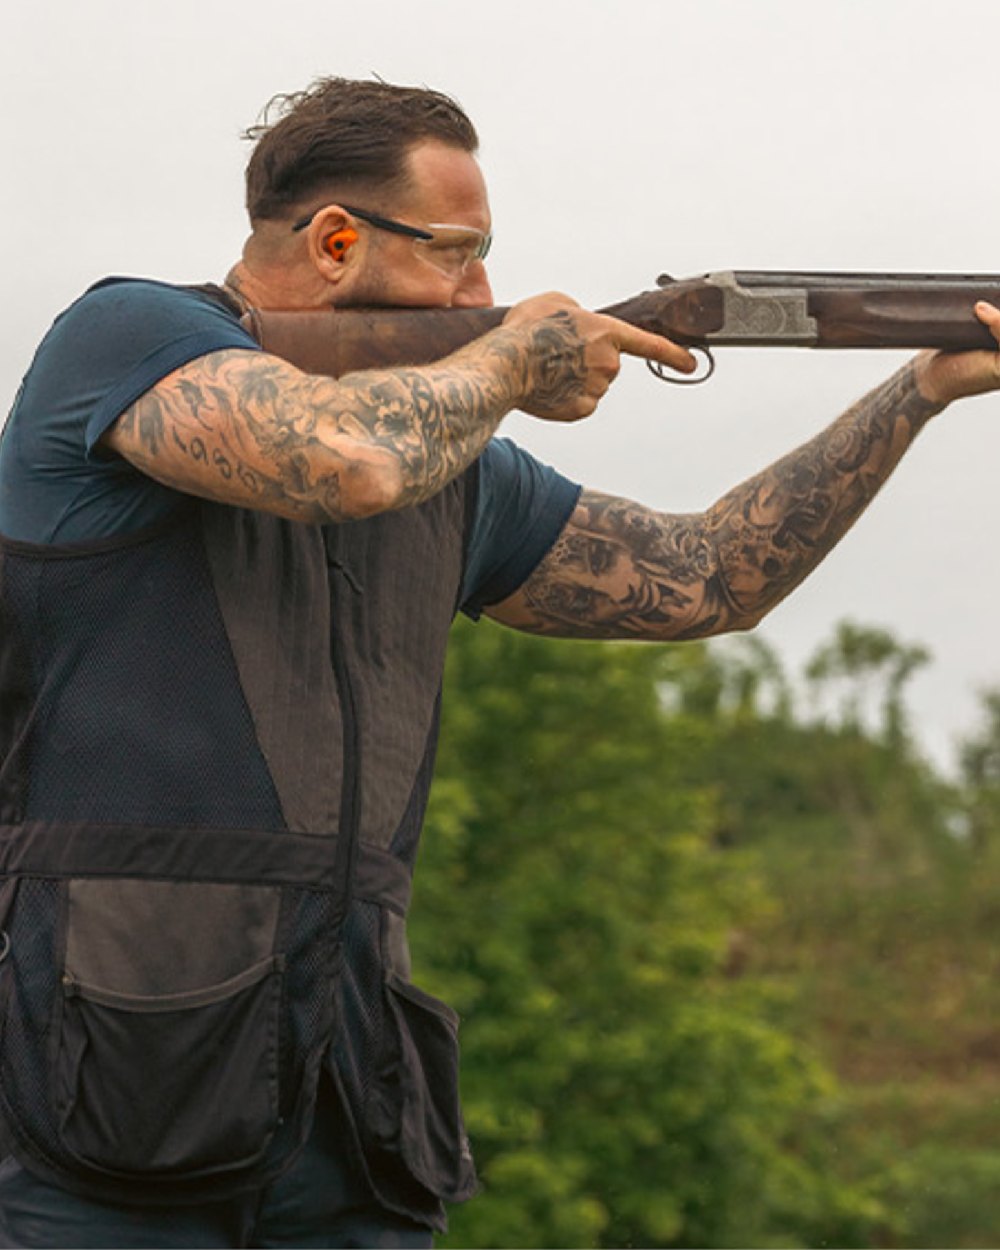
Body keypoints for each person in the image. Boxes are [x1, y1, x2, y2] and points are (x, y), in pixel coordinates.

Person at [0, 76, 997, 1249]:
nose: (485, 294)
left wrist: (916, 389)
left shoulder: (455, 468)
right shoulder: (130, 336)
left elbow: (711, 572)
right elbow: (351, 458)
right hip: (100, 1078)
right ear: (333, 241)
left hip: (351, 1096)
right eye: (460, 256)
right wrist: (515, 359)